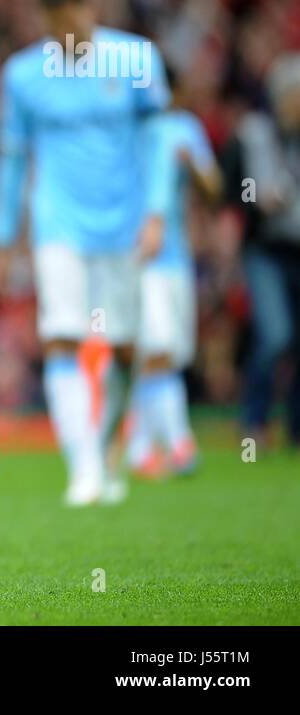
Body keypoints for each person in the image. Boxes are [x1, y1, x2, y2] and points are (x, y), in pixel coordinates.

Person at [0, 0, 170, 506]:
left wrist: (157, 213)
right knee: (62, 336)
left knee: (125, 346)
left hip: (124, 223)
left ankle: (109, 447)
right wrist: (2, 237)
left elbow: (157, 140)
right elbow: (12, 159)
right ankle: (83, 466)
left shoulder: (135, 59)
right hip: (58, 223)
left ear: (92, 9)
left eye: (75, 22)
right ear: (44, 22)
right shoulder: (24, 74)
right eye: (56, 26)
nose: (67, 35)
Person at [126, 82, 221, 477]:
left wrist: (192, 164)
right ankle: (180, 443)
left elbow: (215, 189)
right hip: (135, 256)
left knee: (173, 354)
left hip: (176, 257)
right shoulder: (119, 130)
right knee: (159, 348)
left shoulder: (183, 128)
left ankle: (139, 446)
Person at [222, 54, 300, 448]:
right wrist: (258, 200)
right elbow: (233, 188)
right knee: (275, 334)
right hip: (266, 248)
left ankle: (296, 428)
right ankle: (254, 422)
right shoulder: (253, 134)